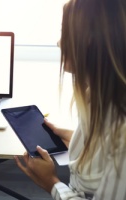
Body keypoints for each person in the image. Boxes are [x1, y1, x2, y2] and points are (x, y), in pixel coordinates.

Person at [14, 0, 126, 199]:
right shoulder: (98, 96)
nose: (59, 42)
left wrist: (52, 183)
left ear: (90, 39)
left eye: (65, 32)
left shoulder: (122, 131)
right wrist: (75, 138)